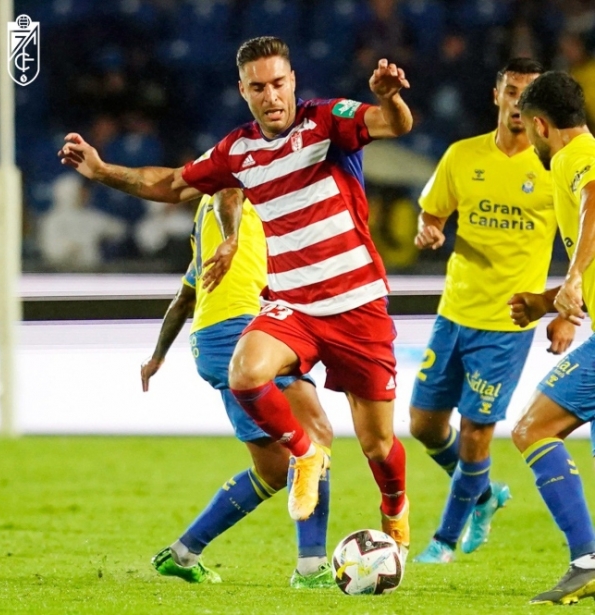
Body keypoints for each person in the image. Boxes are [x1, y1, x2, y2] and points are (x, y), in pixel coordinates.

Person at [58, 36, 413, 562]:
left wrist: (390, 98)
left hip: (356, 301)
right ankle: (305, 454)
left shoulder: (327, 121)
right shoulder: (237, 152)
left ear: (292, 81)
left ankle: (395, 511)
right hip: (293, 305)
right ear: (242, 90)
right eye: (258, 87)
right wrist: (103, 170)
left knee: (377, 445)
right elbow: (173, 184)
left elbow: (395, 126)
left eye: (278, 83)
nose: (271, 96)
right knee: (245, 372)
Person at [409, 58, 575, 564]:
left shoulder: (552, 170)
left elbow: (579, 241)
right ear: (497, 96)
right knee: (423, 426)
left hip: (509, 321)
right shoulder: (462, 156)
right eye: (511, 92)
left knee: (477, 429)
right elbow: (432, 213)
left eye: (529, 95)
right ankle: (483, 494)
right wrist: (429, 231)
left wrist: (565, 311)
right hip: (455, 309)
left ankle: (443, 541)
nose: (518, 104)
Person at [139, 188, 335, 588]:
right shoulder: (236, 191)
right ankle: (312, 568)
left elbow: (184, 298)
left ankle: (183, 552)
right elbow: (229, 189)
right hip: (243, 329)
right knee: (315, 435)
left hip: (213, 338)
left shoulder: (212, 239)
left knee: (276, 469)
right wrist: (232, 238)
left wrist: (157, 356)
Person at [508, 70, 595, 605]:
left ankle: (586, 562)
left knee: (533, 429)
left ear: (541, 125)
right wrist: (548, 300)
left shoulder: (575, 155)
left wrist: (574, 275)